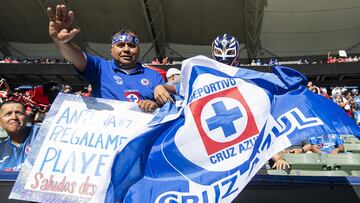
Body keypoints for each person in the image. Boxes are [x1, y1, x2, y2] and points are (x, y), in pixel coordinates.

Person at [47, 4, 165, 112]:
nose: (126, 49)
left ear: (138, 50)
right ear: (112, 50)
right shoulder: (100, 67)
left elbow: (168, 106)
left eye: (132, 45)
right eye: (120, 45)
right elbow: (76, 57)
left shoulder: (154, 76)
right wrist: (62, 42)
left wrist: (154, 106)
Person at [0, 100, 40, 171]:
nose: (14, 117)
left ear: (26, 117)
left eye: (18, 113)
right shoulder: (1, 150)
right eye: (8, 114)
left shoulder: (41, 133)